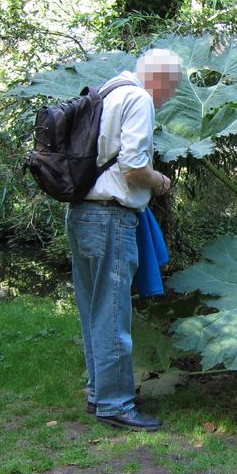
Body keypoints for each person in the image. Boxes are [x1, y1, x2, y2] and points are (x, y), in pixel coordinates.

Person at [67, 48, 182, 431]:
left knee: (92, 307)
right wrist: (160, 181)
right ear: (160, 79)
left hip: (81, 213)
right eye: (173, 87)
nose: (171, 96)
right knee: (113, 311)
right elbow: (134, 168)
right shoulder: (138, 98)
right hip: (111, 218)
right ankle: (116, 403)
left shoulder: (106, 91)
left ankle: (99, 392)